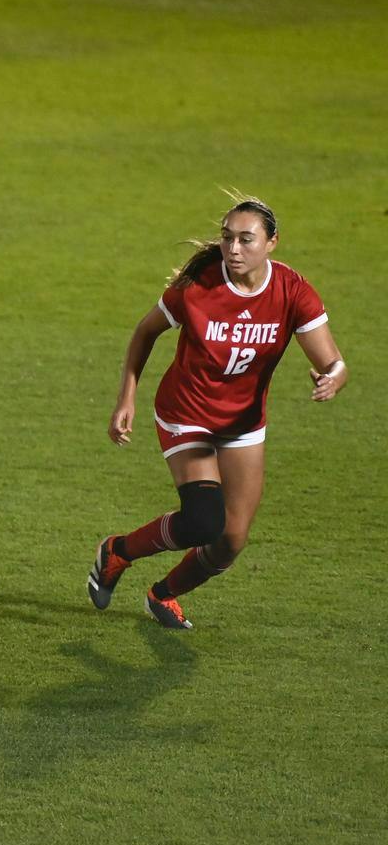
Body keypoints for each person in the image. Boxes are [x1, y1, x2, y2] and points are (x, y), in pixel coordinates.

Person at [89, 197, 349, 630]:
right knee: (203, 520)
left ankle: (163, 594)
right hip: (186, 413)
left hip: (242, 424)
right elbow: (145, 331)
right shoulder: (197, 286)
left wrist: (334, 378)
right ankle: (117, 552)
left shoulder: (292, 291)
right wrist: (126, 398)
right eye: (228, 237)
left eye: (246, 239)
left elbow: (333, 361)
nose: (233, 248)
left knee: (230, 540)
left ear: (272, 244)